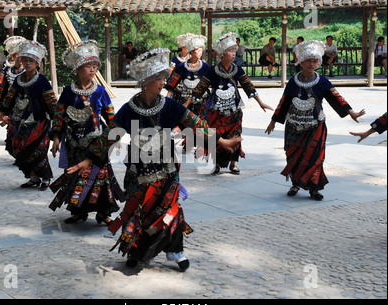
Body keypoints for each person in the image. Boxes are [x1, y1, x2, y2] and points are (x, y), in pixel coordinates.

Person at [66, 48, 241, 271]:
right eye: (159, 79)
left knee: (170, 209)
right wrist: (88, 160)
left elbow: (195, 124)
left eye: (163, 78)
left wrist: (221, 141)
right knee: (138, 211)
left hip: (166, 169)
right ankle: (136, 251)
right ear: (146, 82)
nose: (163, 83)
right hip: (137, 172)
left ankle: (175, 250)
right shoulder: (129, 109)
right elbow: (110, 134)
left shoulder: (170, 106)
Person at [265, 40, 366, 201]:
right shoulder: (292, 82)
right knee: (293, 157)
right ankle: (295, 184)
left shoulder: (322, 81)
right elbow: (284, 102)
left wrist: (351, 112)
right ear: (301, 62)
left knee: (315, 157)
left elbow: (336, 98)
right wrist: (273, 121)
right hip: (294, 126)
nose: (312, 64)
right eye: (308, 61)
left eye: (315, 61)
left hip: (316, 126)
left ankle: (314, 188)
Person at [49, 40, 124, 225]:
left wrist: (114, 135)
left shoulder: (100, 91)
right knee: (76, 176)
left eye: (95, 66)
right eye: (88, 66)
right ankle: (78, 211)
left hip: (96, 143)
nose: (92, 70)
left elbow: (110, 114)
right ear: (77, 69)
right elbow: (58, 114)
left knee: (100, 177)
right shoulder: (68, 92)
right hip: (74, 143)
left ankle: (103, 213)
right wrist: (56, 137)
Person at [188, 32, 273, 175]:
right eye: (230, 51)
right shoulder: (212, 71)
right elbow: (200, 88)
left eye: (234, 51)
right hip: (216, 109)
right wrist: (187, 103)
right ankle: (215, 164)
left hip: (234, 109)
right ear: (222, 54)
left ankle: (233, 164)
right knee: (216, 135)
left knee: (236, 135)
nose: (234, 54)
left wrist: (261, 102)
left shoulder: (237, 69)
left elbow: (248, 86)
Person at [0, 40, 57, 190]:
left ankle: (46, 177)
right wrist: (1, 113)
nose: (27, 63)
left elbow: (51, 102)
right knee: (20, 149)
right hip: (20, 120)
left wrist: (57, 123)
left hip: (39, 121)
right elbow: (9, 97)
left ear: (37, 63)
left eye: (31, 61)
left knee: (38, 150)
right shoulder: (18, 79)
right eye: (25, 60)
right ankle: (33, 177)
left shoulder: (42, 81)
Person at [0, 36, 26, 157]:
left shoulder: (31, 69)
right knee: (12, 128)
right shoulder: (7, 68)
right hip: (11, 103)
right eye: (13, 55)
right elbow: (3, 84)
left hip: (27, 105)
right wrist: (1, 110)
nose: (15, 57)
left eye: (17, 54)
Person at [165, 34, 210, 118]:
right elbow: (173, 82)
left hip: (202, 101)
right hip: (185, 99)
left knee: (201, 125)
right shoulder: (182, 66)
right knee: (184, 124)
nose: (201, 53)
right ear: (192, 52)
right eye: (198, 50)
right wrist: (167, 98)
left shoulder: (205, 67)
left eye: (201, 51)